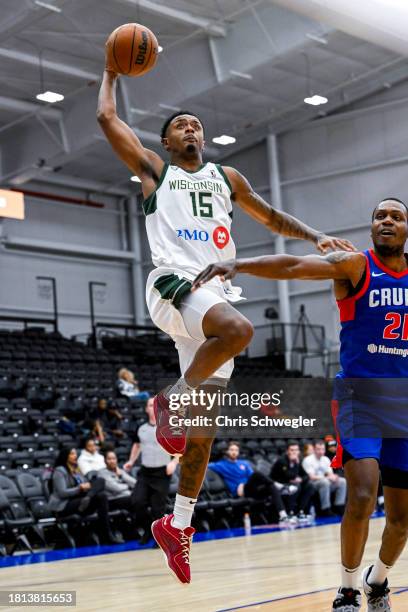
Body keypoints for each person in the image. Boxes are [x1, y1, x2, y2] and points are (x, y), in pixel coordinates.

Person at [97, 55, 354, 584]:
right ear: (167, 142)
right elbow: (107, 121)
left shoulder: (225, 176)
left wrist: (316, 238)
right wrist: (111, 73)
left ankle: (178, 525)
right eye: (180, 126)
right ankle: (170, 399)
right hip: (174, 285)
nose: (191, 129)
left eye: (196, 125)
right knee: (239, 331)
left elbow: (270, 214)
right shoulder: (156, 172)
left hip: (211, 294)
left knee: (203, 435)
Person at [193, 197, 408, 611]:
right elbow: (293, 266)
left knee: (401, 521)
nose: (387, 221)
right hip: (359, 398)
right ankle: (347, 589)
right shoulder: (356, 267)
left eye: (396, 217)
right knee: (363, 493)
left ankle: (376, 581)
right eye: (380, 215)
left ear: (405, 229)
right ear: (370, 229)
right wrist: (239, 265)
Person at [124, 398, 179, 544]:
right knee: (137, 502)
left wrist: (174, 462)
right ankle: (149, 530)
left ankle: (159, 538)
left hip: (162, 473)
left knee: (157, 508)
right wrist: (131, 461)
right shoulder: (141, 428)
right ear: (146, 409)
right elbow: (137, 445)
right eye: (150, 405)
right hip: (145, 472)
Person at [49, 447, 123, 544]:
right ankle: (106, 536)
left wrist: (88, 487)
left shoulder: (76, 469)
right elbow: (62, 493)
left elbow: (87, 483)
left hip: (80, 501)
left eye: (75, 454)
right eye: (72, 454)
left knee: (101, 488)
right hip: (64, 505)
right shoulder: (60, 471)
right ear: (65, 456)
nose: (75, 456)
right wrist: (80, 488)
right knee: (100, 496)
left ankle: (106, 534)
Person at [208, 441, 289, 523]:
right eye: (231, 450)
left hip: (251, 489)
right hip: (240, 491)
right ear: (227, 451)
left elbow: (252, 477)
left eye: (236, 450)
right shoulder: (220, 465)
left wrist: (245, 484)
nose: (234, 452)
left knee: (271, 486)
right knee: (257, 474)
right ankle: (279, 485)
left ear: (238, 452)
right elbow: (205, 465)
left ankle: (283, 515)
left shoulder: (244, 463)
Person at [302, 440, 346, 517]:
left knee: (342, 481)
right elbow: (312, 477)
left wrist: (334, 477)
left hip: (325, 482)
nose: (321, 451)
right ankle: (326, 509)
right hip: (312, 484)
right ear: (314, 449)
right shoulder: (308, 460)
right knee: (325, 482)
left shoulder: (325, 459)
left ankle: (339, 505)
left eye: (322, 449)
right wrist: (327, 477)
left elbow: (330, 473)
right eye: (318, 449)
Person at [271, 441, 315, 518]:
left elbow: (306, 476)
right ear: (287, 451)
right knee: (296, 486)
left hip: (291, 483)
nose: (294, 452)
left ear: (299, 451)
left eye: (296, 450)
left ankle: (300, 511)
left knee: (310, 485)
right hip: (279, 485)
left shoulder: (299, 460)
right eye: (292, 450)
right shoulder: (282, 460)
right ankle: (290, 512)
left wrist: (300, 479)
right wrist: (296, 465)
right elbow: (288, 476)